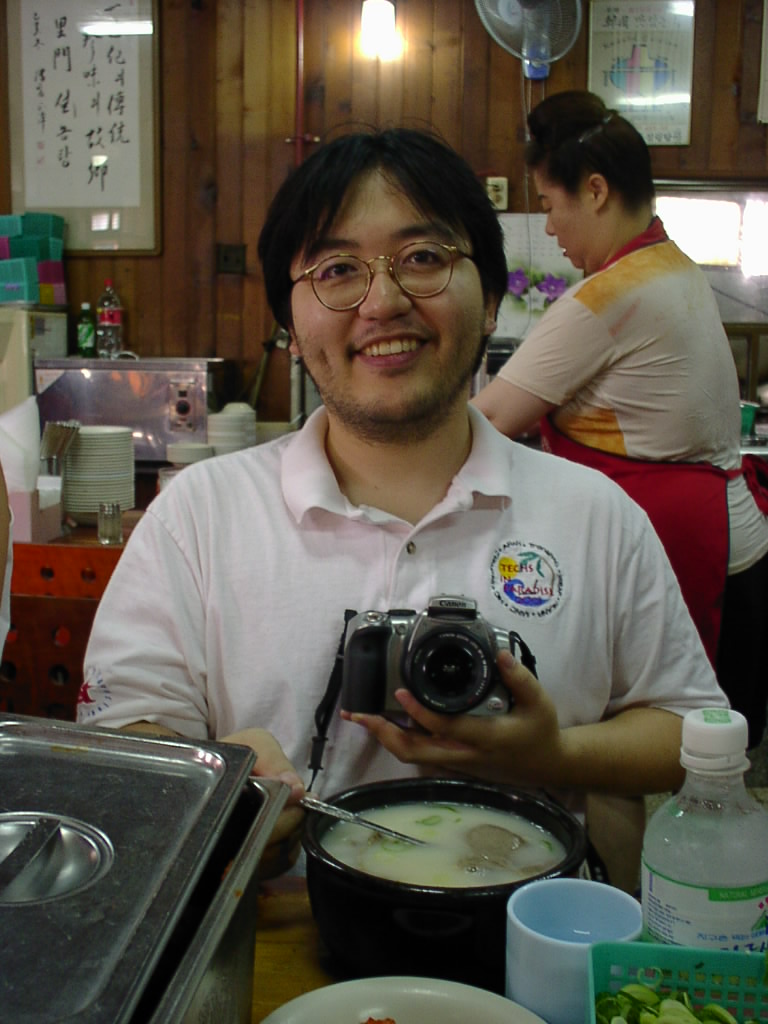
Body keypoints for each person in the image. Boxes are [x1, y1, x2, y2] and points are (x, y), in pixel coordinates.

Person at [77, 126, 727, 885]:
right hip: (279, 926)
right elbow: (121, 745)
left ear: (491, 300)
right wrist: (222, 791)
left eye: (423, 258)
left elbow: (690, 732)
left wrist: (553, 754)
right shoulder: (199, 516)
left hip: (530, 930)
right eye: (337, 270)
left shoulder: (596, 515)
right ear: (291, 329)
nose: (382, 302)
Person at [473, 90, 768, 749]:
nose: (550, 228)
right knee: (719, 753)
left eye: (550, 204)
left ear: (596, 191)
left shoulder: (612, 294)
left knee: (678, 750)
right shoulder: (672, 266)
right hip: (734, 545)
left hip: (688, 545)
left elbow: (486, 419)